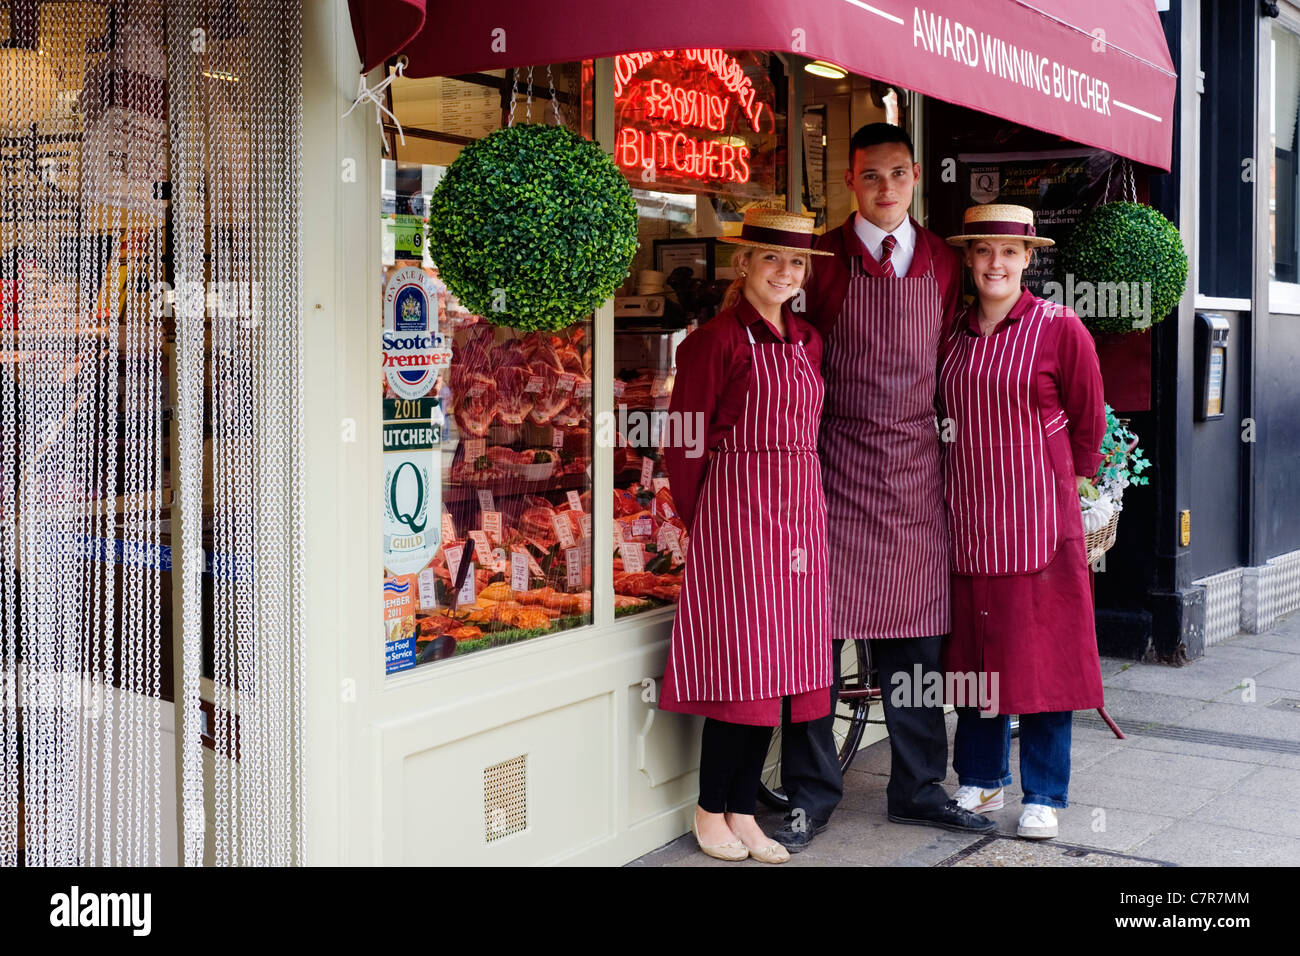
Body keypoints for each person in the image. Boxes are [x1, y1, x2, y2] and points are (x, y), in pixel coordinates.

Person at [777, 123, 995, 851]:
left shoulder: (939, 261)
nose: (886, 188)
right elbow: (794, 360)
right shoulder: (819, 260)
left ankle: (919, 789)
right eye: (872, 176)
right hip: (831, 470)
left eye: (898, 174)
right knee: (814, 647)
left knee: (919, 652)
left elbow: (947, 360)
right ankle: (811, 793)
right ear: (851, 180)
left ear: (916, 175)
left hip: (911, 474)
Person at [660, 208, 835, 864]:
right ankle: (711, 809)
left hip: (798, 512)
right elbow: (683, 441)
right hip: (737, 517)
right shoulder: (714, 342)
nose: (784, 273)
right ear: (743, 265)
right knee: (743, 666)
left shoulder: (807, 341)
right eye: (771, 259)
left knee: (781, 666)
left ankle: (742, 808)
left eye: (796, 263)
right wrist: (703, 520)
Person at [938, 203, 1107, 839]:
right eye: (983, 251)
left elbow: (1089, 424)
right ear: (968, 258)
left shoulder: (1060, 328)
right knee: (979, 656)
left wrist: (1067, 494)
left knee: (1045, 662)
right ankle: (980, 781)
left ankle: (1044, 793)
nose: (996, 263)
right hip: (969, 524)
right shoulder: (952, 335)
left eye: (1009, 252)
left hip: (1039, 525)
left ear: (1029, 259)